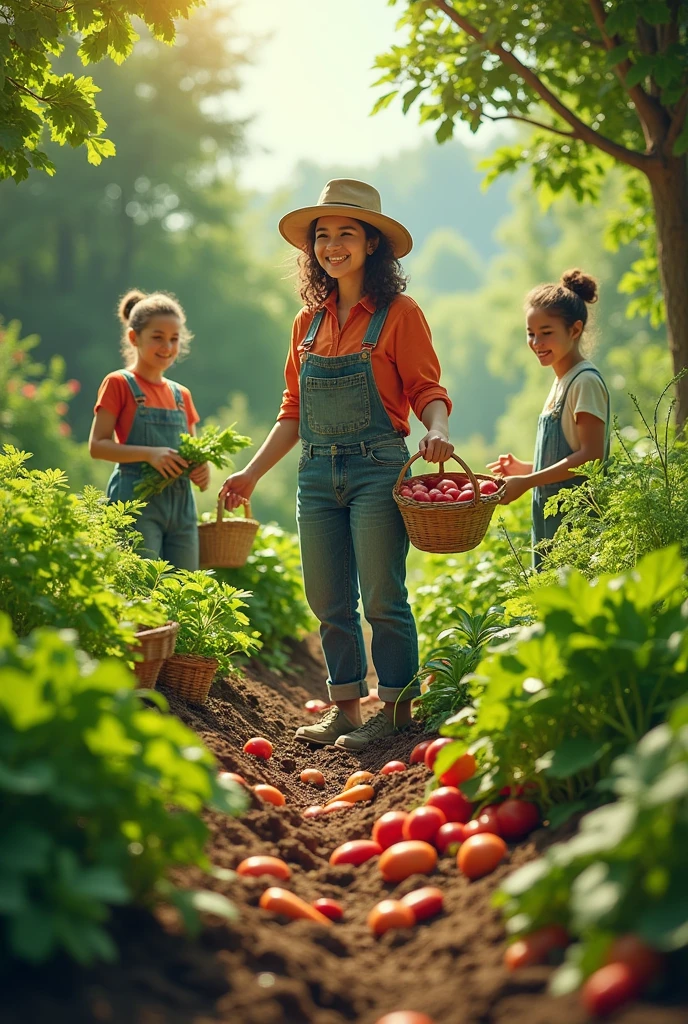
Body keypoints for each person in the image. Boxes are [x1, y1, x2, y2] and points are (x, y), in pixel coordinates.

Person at [220, 179, 454, 750]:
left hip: (379, 469)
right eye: (322, 236)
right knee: (327, 599)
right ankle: (346, 710)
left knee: (382, 596)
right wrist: (251, 472)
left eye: (346, 233)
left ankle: (396, 712)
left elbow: (427, 388)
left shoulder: (400, 314)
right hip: (316, 474)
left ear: (372, 243)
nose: (332, 245)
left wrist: (438, 429)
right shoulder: (307, 324)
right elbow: (292, 411)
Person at [488, 269, 610, 568]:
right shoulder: (561, 381)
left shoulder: (584, 382)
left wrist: (528, 481)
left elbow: (590, 459)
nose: (536, 342)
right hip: (551, 529)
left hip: (576, 530)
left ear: (575, 330)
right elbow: (570, 456)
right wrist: (529, 468)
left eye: (546, 332)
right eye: (531, 333)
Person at [89, 289, 209, 569]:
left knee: (185, 594)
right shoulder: (119, 383)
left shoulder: (182, 395)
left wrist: (200, 470)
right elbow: (97, 445)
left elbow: (191, 454)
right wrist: (149, 454)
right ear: (134, 337)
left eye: (174, 339)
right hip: (135, 503)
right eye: (157, 337)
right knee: (141, 595)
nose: (167, 346)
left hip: (182, 508)